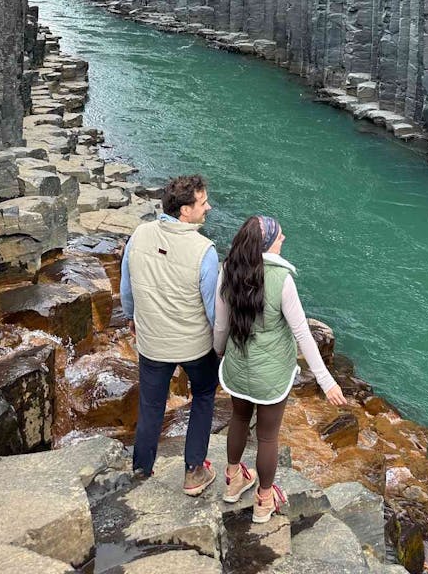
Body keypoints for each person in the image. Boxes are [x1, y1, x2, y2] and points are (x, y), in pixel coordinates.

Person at [214, 215, 347, 523]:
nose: (284, 238)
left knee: (238, 418)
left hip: (237, 366)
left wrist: (219, 353)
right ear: (267, 243)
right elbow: (302, 333)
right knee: (267, 438)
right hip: (271, 376)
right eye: (279, 235)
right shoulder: (282, 279)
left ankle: (232, 481)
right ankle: (263, 500)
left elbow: (221, 324)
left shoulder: (228, 270)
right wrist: (327, 381)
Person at [120, 173, 219, 495]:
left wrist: (132, 317)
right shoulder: (205, 250)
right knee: (203, 396)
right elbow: (212, 310)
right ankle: (193, 472)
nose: (209, 208)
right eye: (203, 203)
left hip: (152, 342)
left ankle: (141, 469)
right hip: (195, 346)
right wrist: (221, 344)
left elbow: (127, 287)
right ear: (185, 211)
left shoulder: (139, 234)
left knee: (151, 404)